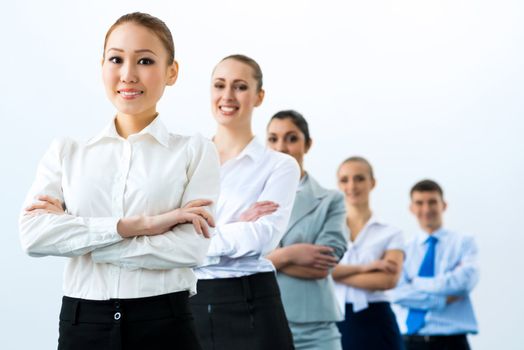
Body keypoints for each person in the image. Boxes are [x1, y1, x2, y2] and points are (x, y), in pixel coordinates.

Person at [19, 12, 220, 350]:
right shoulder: (67, 152)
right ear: (102, 66)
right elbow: (33, 237)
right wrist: (140, 225)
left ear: (172, 72)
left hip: (165, 322)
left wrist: (84, 241)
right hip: (83, 324)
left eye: (144, 61)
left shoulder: (195, 151)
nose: (128, 75)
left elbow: (190, 248)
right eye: (116, 59)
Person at [189, 55, 300, 350]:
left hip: (251, 301)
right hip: (187, 301)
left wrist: (191, 239)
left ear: (259, 96)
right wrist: (234, 227)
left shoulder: (280, 166)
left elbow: (262, 238)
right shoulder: (185, 162)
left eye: (239, 87)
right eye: (219, 85)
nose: (227, 96)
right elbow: (159, 235)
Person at [265, 110, 347, 349]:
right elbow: (237, 261)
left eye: (291, 138)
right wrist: (290, 254)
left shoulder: (330, 200)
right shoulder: (248, 198)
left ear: (307, 144)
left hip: (316, 330)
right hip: (262, 321)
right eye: (273, 139)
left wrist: (267, 259)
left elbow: (324, 263)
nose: (281, 147)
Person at [390, 179, 479, 350]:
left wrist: (415, 282)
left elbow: (464, 283)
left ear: (443, 205)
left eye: (432, 202)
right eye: (419, 203)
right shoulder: (402, 248)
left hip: (452, 341)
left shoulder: (463, 243)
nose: (426, 209)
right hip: (410, 341)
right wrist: (443, 299)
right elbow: (397, 293)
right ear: (411, 208)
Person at [333, 156, 405, 350]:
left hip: (377, 321)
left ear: (372, 183)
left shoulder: (391, 233)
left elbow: (387, 281)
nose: (352, 185)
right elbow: (315, 271)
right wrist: (366, 268)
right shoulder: (327, 230)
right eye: (345, 180)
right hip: (335, 319)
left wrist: (333, 274)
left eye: (359, 178)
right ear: (338, 185)